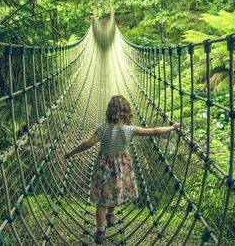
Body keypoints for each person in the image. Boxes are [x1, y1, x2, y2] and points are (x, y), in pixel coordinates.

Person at [64, 95, 180, 244]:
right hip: (121, 170)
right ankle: (110, 215)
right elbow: (155, 131)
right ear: (126, 112)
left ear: (109, 112)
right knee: (116, 192)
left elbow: (88, 143)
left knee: (101, 201)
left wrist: (71, 153)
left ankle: (100, 231)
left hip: (104, 169)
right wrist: (172, 127)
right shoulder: (130, 129)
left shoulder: (103, 129)